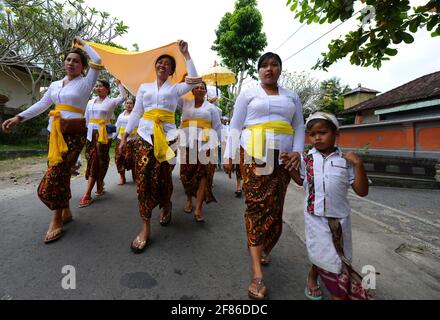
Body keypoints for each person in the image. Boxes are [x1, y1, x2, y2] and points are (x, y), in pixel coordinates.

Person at [1, 36, 102, 243]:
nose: (71, 63)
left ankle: (56, 219)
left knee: (55, 174)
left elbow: (98, 59)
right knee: (61, 173)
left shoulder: (86, 83)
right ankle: (65, 210)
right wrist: (19, 117)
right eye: (68, 60)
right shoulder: (55, 85)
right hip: (55, 134)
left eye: (76, 61)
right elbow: (41, 105)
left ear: (83, 66)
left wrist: (83, 45)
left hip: (74, 134)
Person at [223, 52, 305, 300]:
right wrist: (228, 155)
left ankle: (263, 245)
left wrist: (298, 154)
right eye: (264, 65)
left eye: (274, 65)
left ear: (280, 69)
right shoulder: (248, 94)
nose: (269, 69)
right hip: (253, 154)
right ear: (258, 71)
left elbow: (299, 126)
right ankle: (257, 273)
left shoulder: (292, 96)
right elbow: (236, 125)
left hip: (283, 158)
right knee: (256, 206)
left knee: (275, 210)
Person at [118, 40, 200, 254]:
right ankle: (145, 226)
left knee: (163, 176)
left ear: (172, 71)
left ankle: (166, 204)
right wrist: (125, 135)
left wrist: (186, 54)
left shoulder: (175, 89)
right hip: (145, 135)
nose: (163, 65)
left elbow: (193, 81)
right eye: (160, 62)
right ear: (155, 66)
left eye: (167, 64)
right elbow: (136, 113)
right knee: (143, 178)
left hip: (169, 137)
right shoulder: (143, 88)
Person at [283, 111, 369, 300]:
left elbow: (362, 191)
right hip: (315, 217)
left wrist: (359, 164)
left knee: (335, 255)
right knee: (326, 255)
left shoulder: (345, 162)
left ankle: (313, 275)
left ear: (336, 134)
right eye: (312, 134)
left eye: (322, 133)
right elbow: (302, 181)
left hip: (340, 219)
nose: (317, 138)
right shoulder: (307, 159)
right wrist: (289, 168)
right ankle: (336, 292)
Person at [79, 79, 127, 207]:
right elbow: (86, 119)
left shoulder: (111, 102)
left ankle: (87, 194)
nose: (98, 88)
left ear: (107, 89)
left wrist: (119, 84)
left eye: (101, 86)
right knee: (92, 160)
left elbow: (123, 97)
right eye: (96, 86)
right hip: (91, 135)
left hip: (104, 136)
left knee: (97, 161)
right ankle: (99, 183)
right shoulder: (90, 102)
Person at [179, 81, 222, 222]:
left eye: (202, 88)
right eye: (196, 87)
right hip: (187, 144)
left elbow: (217, 128)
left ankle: (198, 208)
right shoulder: (185, 103)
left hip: (205, 145)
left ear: (205, 91)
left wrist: (217, 145)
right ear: (191, 90)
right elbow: (174, 95)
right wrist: (181, 82)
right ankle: (189, 200)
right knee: (186, 174)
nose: (199, 89)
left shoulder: (212, 109)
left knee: (203, 174)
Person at [114, 98, 138, 185]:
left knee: (133, 159)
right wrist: (112, 137)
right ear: (124, 105)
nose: (128, 105)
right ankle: (122, 177)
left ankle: (135, 176)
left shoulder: (136, 115)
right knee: (119, 158)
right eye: (127, 103)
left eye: (131, 103)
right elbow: (117, 127)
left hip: (133, 140)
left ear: (133, 105)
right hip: (121, 140)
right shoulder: (121, 115)